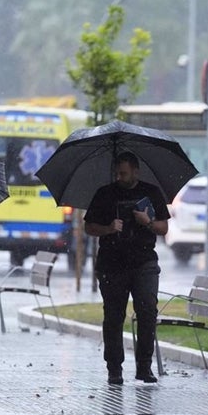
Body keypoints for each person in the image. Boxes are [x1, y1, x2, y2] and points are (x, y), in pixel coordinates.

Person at [83, 151, 170, 385]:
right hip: (112, 264)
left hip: (144, 261)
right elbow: (89, 227)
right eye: (117, 173)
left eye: (124, 172)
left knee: (147, 311)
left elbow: (163, 228)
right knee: (113, 316)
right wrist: (109, 228)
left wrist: (147, 222)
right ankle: (114, 368)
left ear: (135, 171)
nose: (120, 177)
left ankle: (144, 366)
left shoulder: (150, 193)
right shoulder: (105, 194)